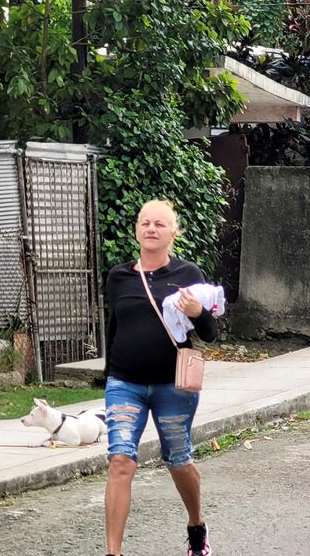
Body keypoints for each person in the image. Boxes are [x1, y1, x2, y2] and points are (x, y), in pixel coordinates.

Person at [103, 199, 216, 556]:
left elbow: (210, 333)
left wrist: (198, 312)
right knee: (121, 460)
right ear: (136, 230)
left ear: (173, 233)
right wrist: (108, 375)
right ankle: (113, 552)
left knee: (179, 459)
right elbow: (113, 327)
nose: (151, 229)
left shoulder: (188, 274)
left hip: (173, 385)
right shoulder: (119, 276)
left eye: (160, 224)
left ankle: (196, 524)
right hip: (125, 384)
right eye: (145, 223)